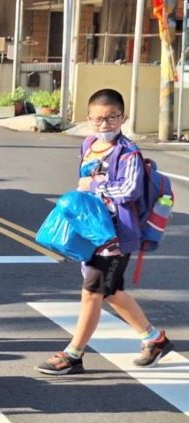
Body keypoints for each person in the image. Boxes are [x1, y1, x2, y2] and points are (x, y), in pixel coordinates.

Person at [35, 89, 173, 375]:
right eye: (97, 119)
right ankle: (154, 339)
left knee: (92, 292)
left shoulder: (128, 152)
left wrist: (94, 186)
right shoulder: (87, 144)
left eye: (111, 118)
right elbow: (83, 182)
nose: (104, 125)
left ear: (122, 117)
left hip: (116, 237)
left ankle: (73, 354)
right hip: (91, 230)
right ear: (88, 119)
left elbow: (130, 190)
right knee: (110, 291)